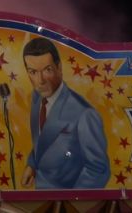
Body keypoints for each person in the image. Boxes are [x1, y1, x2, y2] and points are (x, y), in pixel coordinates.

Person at [21, 37, 109, 189]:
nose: (40, 80)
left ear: (59, 67)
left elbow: (98, 170)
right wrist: (32, 165)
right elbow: (44, 140)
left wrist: (70, 203)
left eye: (47, 70)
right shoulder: (37, 99)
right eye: (33, 72)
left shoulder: (84, 114)